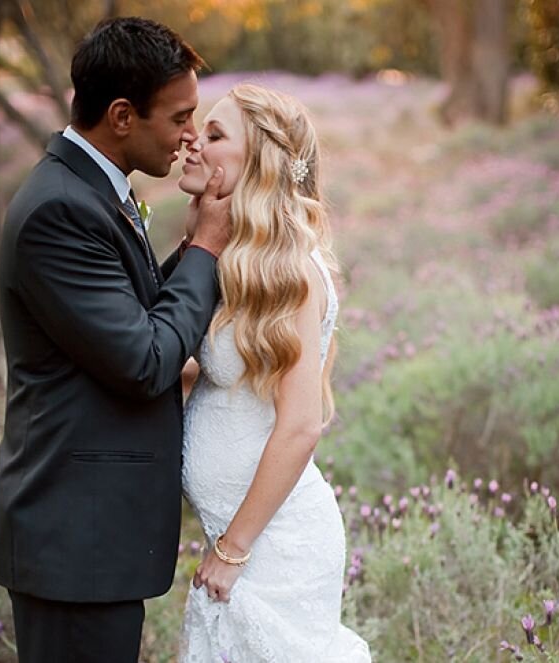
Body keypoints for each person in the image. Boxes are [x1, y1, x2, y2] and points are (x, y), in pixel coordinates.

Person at [0, 17, 231, 663]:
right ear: (122, 115)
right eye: (179, 117)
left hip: (90, 540)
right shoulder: (58, 210)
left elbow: (135, 315)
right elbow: (145, 360)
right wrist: (206, 246)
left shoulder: (94, 191)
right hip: (73, 540)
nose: (188, 136)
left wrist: (189, 252)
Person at [177, 83, 371, 662]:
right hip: (234, 534)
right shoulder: (235, 258)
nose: (192, 142)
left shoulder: (292, 271)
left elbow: (300, 425)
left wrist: (234, 549)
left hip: (273, 545)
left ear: (257, 159)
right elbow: (202, 373)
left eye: (214, 135)